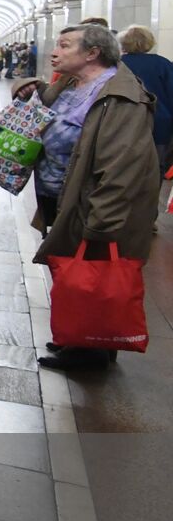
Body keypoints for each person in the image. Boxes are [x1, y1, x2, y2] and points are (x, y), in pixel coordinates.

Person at [12, 24, 160, 369]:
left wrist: (101, 225)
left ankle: (90, 351)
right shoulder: (72, 84)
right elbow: (42, 104)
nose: (55, 52)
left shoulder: (121, 98)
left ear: (92, 53)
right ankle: (77, 337)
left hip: (89, 204)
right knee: (70, 270)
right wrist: (25, 86)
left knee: (90, 275)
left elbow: (121, 167)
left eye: (64, 46)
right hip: (63, 196)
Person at [118, 24, 173, 170]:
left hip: (124, 124)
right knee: (156, 167)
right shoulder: (163, 64)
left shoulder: (117, 65)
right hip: (160, 124)